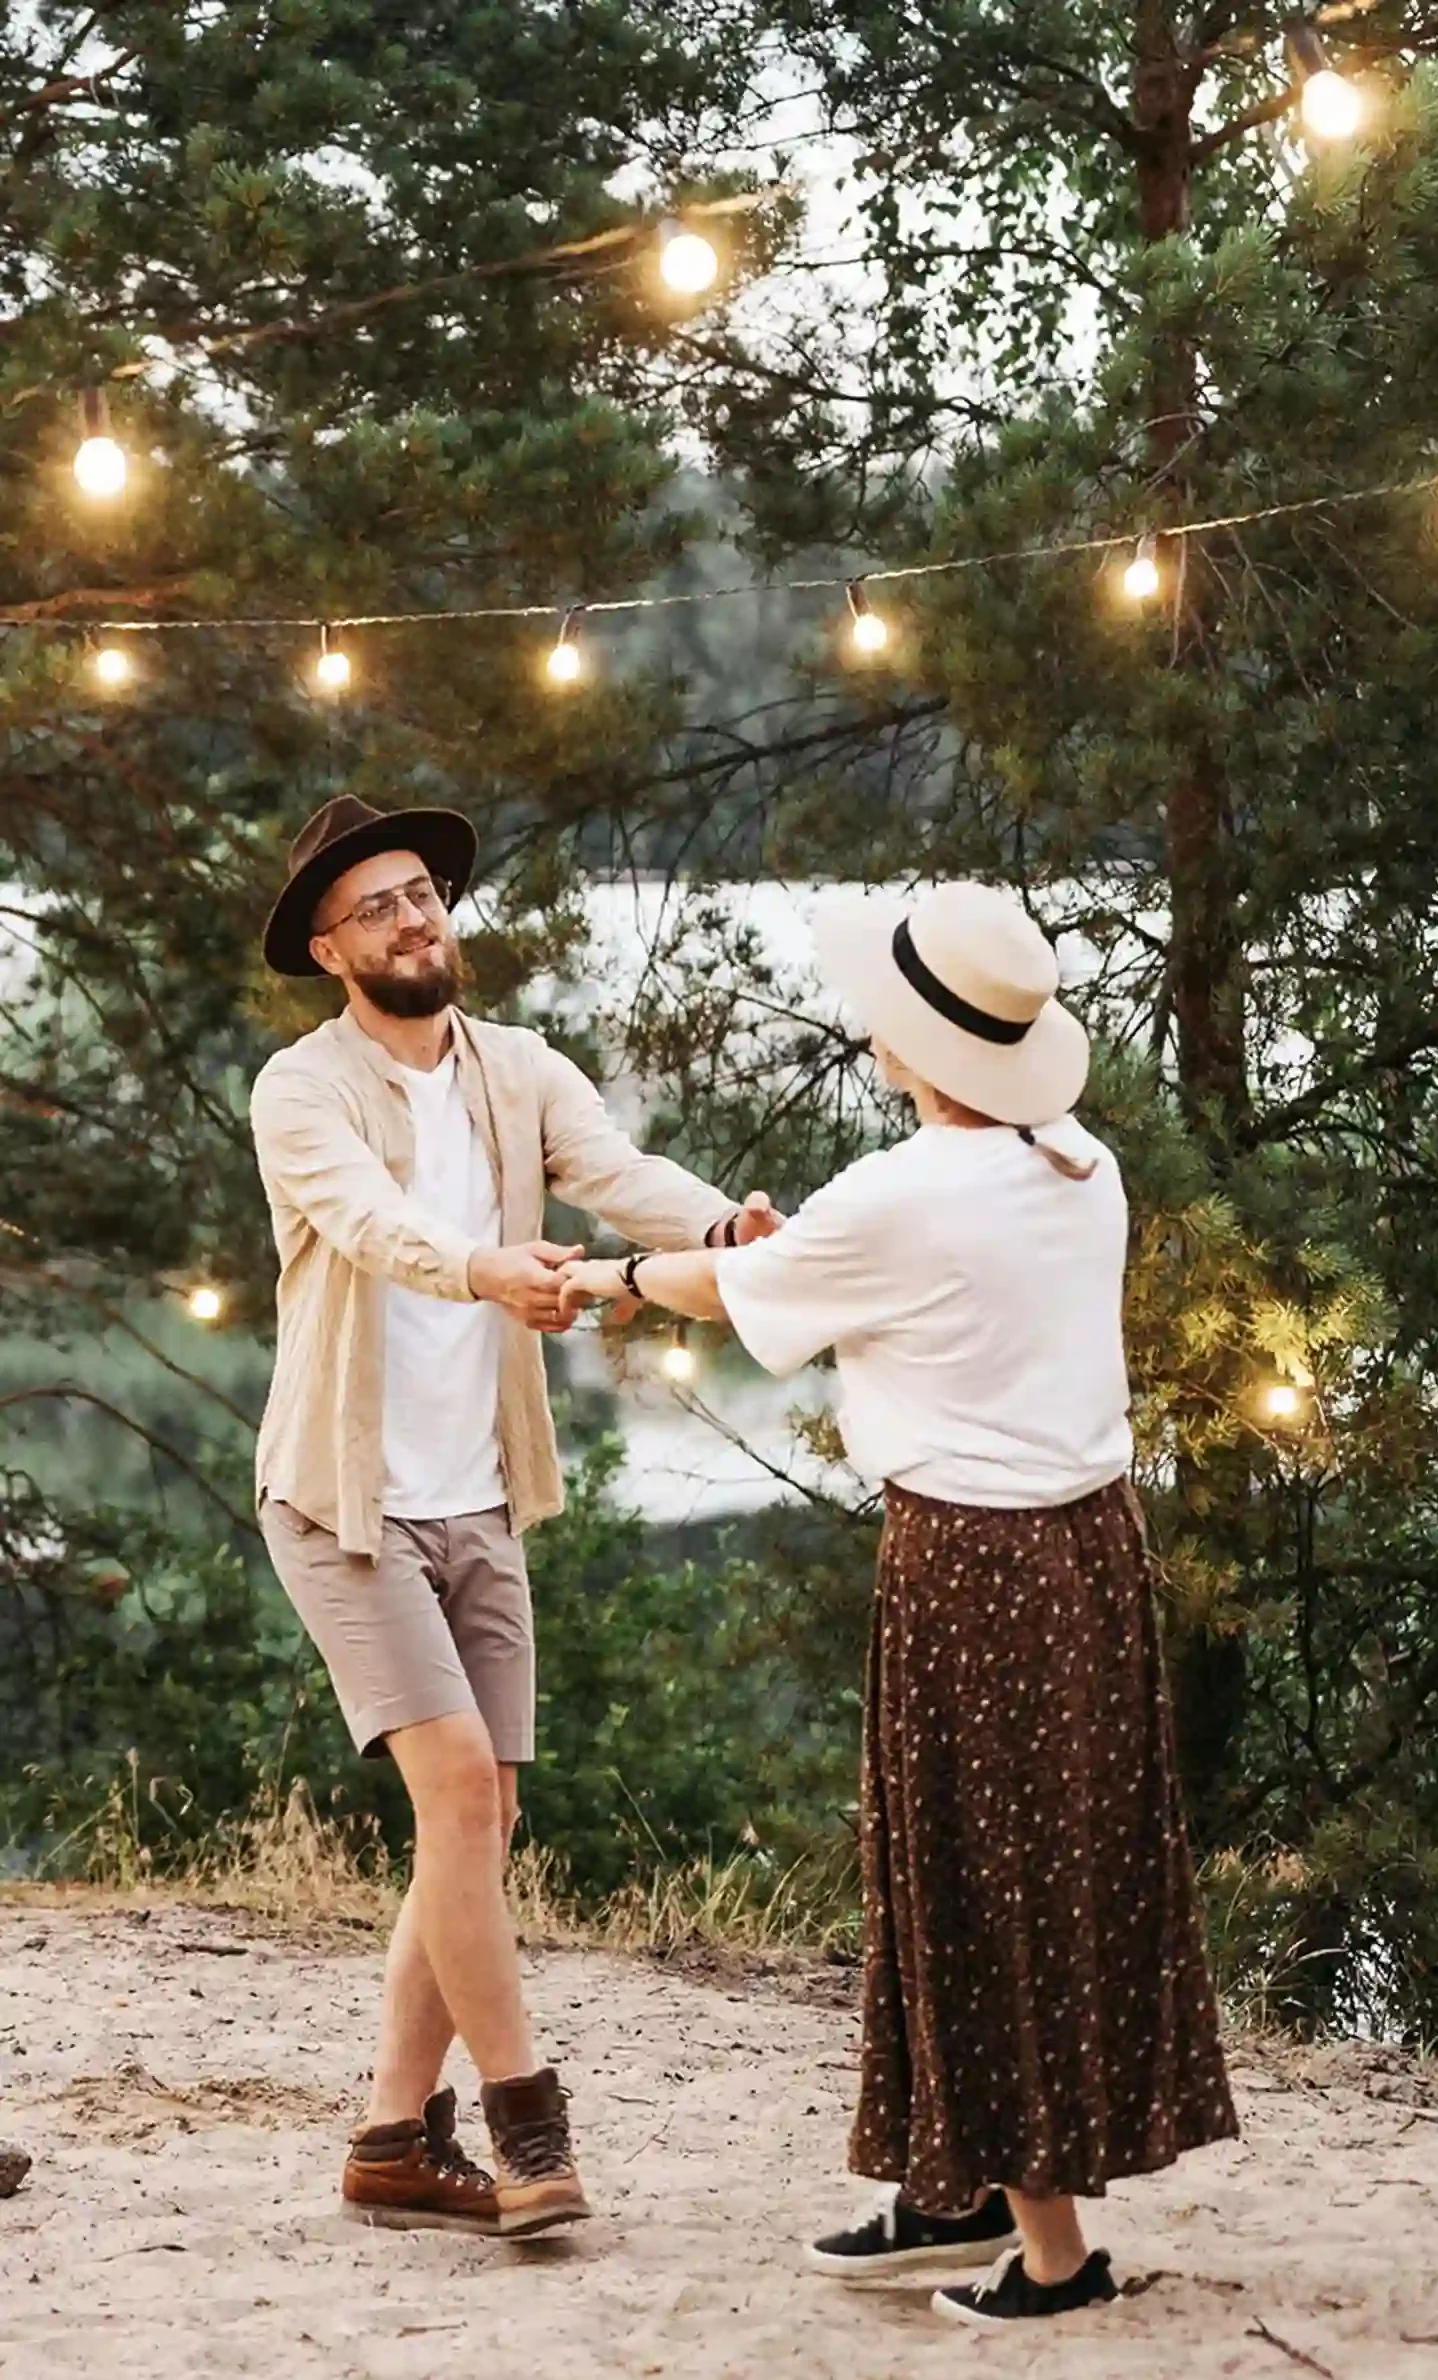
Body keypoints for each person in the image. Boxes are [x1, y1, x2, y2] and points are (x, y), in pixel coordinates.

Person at [557, 879, 1239, 2328]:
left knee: (977, 1884)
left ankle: (1051, 2255)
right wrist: (757, 1249)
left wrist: (615, 1270)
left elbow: (724, 1291)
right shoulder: (1078, 1163)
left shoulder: (902, 1194)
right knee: (1026, 1873)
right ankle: (955, 2186)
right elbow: (852, 1266)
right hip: (1086, 1559)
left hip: (971, 1569)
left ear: (909, 1043)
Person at [250, 793, 779, 2240]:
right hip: (343, 1505)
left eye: (425, 894)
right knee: (465, 1800)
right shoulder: (300, 1090)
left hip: (478, 1497)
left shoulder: (526, 1068)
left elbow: (621, 1178)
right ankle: (524, 2118)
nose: (418, 919)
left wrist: (724, 1229)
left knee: (476, 1823)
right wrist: (488, 1270)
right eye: (381, 906)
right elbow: (367, 1224)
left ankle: (386, 2140)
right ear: (327, 946)